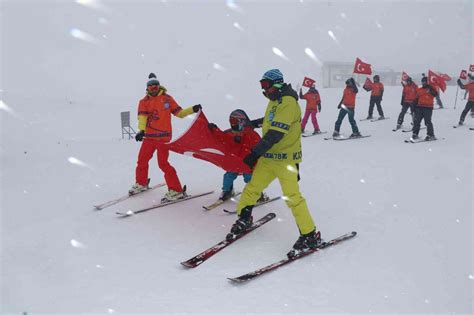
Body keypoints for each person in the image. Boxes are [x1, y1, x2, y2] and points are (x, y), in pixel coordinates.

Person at [226, 69, 320, 258]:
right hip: (269, 159)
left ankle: (310, 235)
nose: (264, 90)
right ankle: (244, 219)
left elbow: (276, 133)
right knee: (252, 189)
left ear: (277, 84)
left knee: (293, 197)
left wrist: (254, 153)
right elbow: (271, 122)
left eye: (266, 85)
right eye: (262, 86)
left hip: (286, 160)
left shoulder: (288, 102)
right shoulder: (275, 101)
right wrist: (254, 123)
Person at [129, 73, 202, 201]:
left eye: (155, 86)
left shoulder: (167, 99)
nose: (153, 88)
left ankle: (176, 190)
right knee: (142, 160)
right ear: (147, 88)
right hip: (149, 137)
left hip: (163, 138)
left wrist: (192, 109)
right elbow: (142, 117)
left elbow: (179, 113)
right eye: (151, 86)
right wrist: (141, 130)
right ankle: (141, 183)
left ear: (159, 86)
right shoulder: (144, 102)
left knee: (163, 163)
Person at [207, 109, 268, 203]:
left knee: (250, 178)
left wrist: (257, 160)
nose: (233, 124)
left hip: (248, 164)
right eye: (231, 121)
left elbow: (260, 148)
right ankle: (227, 191)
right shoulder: (230, 133)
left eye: (235, 121)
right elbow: (222, 138)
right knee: (228, 176)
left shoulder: (251, 134)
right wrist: (214, 130)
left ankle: (258, 194)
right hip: (235, 163)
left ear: (242, 121)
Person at [411, 76, 438, 141]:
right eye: (423, 81)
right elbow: (416, 99)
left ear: (427, 82)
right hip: (419, 107)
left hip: (428, 108)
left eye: (425, 81)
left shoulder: (430, 89)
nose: (424, 83)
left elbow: (435, 94)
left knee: (427, 122)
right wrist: (413, 107)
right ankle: (415, 134)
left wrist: (431, 89)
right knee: (416, 121)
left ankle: (431, 135)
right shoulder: (419, 90)